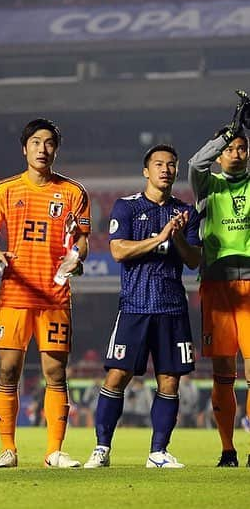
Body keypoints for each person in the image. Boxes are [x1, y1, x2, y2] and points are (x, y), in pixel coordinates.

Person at [0, 118, 90, 468]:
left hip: (54, 296)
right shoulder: (5, 189)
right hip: (15, 294)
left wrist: (76, 256)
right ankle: (8, 450)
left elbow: (82, 240)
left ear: (56, 148)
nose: (42, 149)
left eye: (49, 143)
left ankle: (54, 451)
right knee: (8, 372)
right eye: (36, 142)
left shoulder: (74, 192)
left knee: (56, 374)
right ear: (24, 148)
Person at [84, 144, 201, 469]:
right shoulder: (127, 207)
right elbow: (119, 251)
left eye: (171, 165)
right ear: (146, 171)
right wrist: (161, 237)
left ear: (177, 171)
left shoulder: (186, 212)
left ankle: (158, 452)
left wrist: (176, 237)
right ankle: (102, 448)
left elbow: (193, 261)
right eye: (159, 164)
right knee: (117, 376)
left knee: (170, 381)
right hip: (135, 306)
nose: (166, 169)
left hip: (172, 308)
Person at [188, 96, 250, 467]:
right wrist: (230, 130)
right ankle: (228, 449)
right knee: (224, 372)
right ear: (221, 154)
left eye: (243, 147)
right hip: (217, 285)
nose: (238, 153)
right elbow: (196, 161)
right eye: (231, 148)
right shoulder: (207, 185)